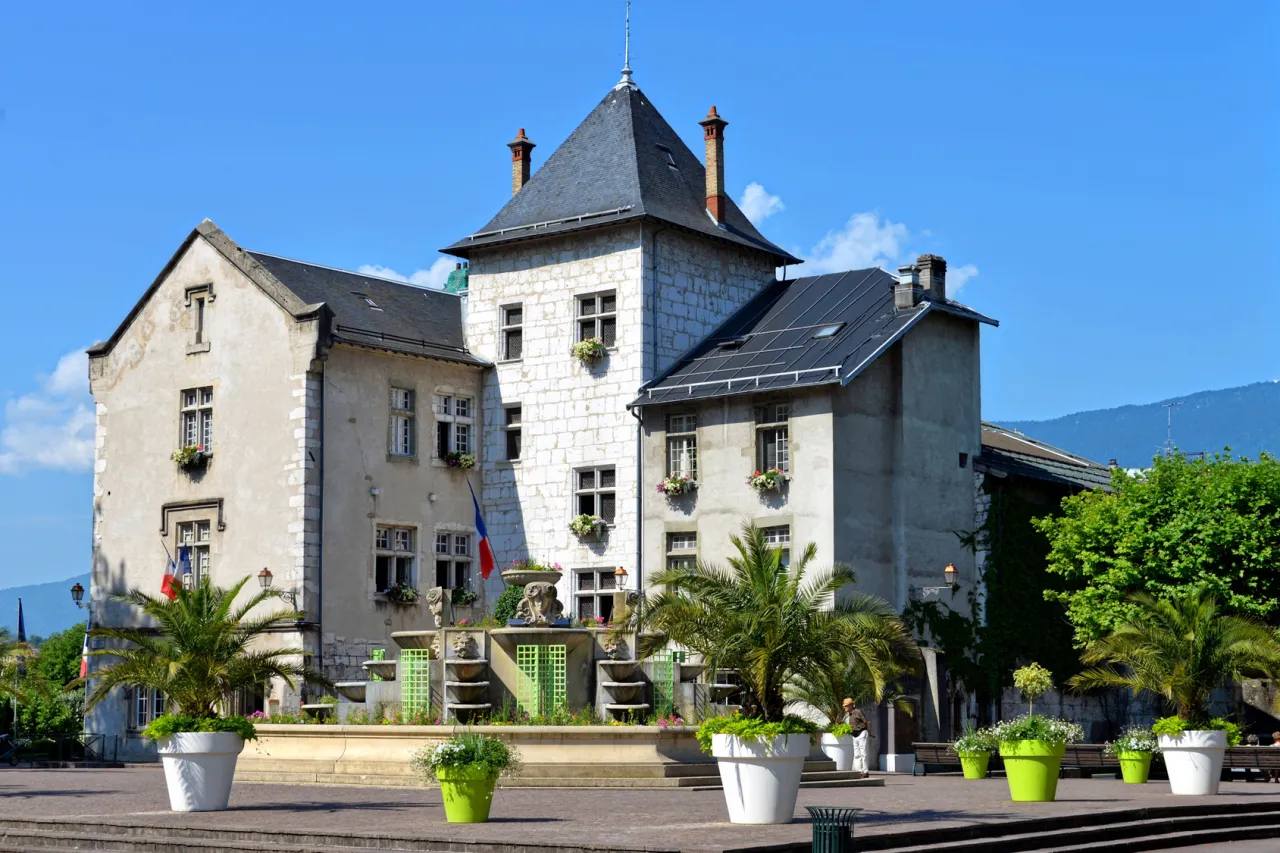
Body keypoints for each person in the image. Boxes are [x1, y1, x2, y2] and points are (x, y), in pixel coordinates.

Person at [841, 697, 871, 778]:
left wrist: (867, 731)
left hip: (861, 733)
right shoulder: (850, 714)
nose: (845, 707)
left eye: (846, 705)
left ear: (851, 705)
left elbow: (866, 722)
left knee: (863, 753)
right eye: (844, 706)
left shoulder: (857, 711)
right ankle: (859, 771)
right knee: (857, 754)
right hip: (855, 735)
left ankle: (865, 771)